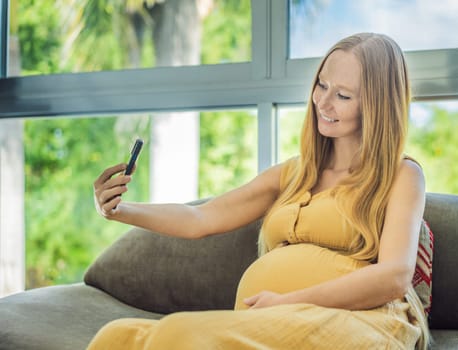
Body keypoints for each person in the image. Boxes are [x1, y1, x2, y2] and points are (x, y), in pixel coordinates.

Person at [89, 32, 430, 349]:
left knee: (178, 334)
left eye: (342, 95)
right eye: (321, 86)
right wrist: (120, 210)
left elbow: (393, 277)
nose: (322, 103)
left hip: (362, 322)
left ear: (377, 105)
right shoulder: (294, 174)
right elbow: (200, 217)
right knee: (116, 337)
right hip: (275, 319)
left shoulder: (401, 175)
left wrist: (289, 301)